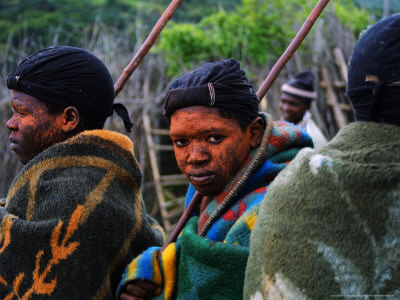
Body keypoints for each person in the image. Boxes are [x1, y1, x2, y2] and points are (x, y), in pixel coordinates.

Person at [117, 59, 313, 299]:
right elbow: (185, 251)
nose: (196, 157)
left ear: (254, 133)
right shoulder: (205, 187)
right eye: (181, 142)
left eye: (214, 138)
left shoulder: (280, 203)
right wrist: (150, 269)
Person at [244, 14, 400, 300]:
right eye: (284, 101)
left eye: (292, 103)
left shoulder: (313, 146)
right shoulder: (288, 147)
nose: (285, 106)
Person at [0, 46, 164, 299]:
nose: (11, 122)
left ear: (69, 119)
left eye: (22, 112)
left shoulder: (79, 198)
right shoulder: (103, 181)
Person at [280, 70, 328, 148]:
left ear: (307, 106)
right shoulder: (281, 127)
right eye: (283, 101)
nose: (285, 108)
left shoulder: (313, 138)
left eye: (293, 104)